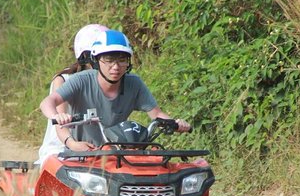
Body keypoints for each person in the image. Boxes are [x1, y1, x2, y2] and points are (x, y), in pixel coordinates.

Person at [39, 29, 190, 151]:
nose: (116, 67)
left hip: (116, 151)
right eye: (109, 60)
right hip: (81, 152)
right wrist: (66, 133)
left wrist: (175, 123)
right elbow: (48, 102)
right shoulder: (81, 80)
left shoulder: (134, 83)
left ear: (128, 62)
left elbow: (156, 114)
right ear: (96, 61)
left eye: (122, 60)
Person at [36, 23, 109, 164]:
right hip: (62, 149)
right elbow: (60, 124)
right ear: (86, 57)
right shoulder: (64, 80)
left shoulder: (110, 83)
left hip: (97, 149)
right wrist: (73, 144)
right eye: (101, 56)